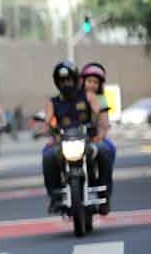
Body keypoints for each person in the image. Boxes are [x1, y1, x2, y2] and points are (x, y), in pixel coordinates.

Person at [41, 60, 115, 214]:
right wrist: (45, 129)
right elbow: (47, 121)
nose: (66, 83)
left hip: (88, 140)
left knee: (105, 151)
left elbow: (99, 114)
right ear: (57, 82)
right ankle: (55, 197)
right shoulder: (52, 102)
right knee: (47, 155)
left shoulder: (88, 96)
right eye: (62, 80)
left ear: (76, 79)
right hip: (63, 142)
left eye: (69, 79)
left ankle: (104, 195)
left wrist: (100, 130)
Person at [80, 62, 115, 213]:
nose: (92, 85)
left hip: (94, 138)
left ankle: (104, 196)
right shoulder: (75, 98)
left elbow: (104, 122)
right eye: (89, 81)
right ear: (82, 81)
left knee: (107, 150)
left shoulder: (101, 100)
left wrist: (100, 136)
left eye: (96, 82)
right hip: (74, 139)